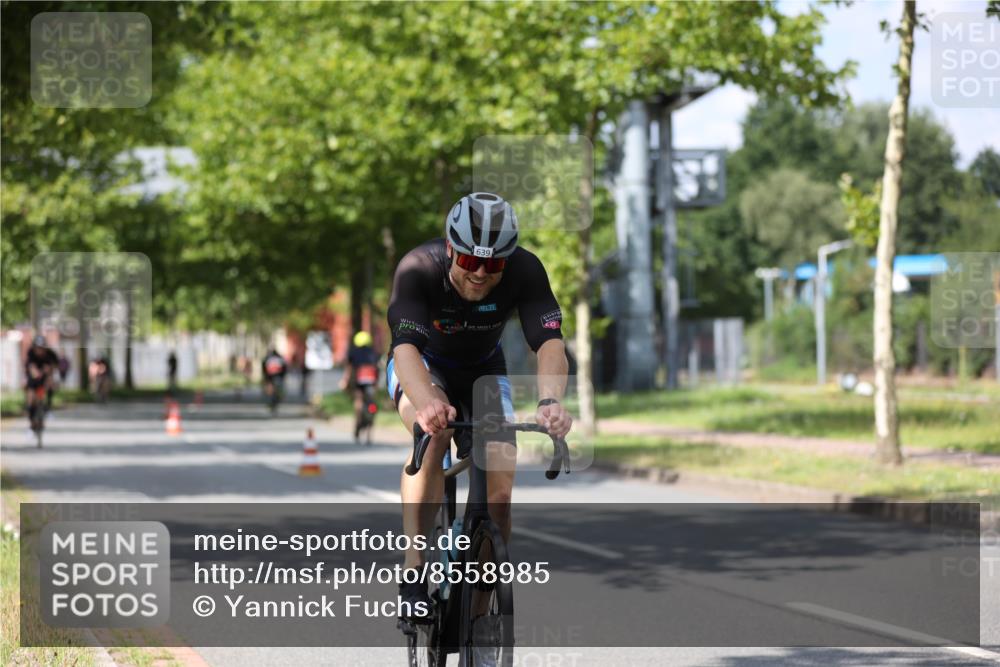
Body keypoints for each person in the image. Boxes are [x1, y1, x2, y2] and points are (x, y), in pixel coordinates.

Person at [386, 192, 573, 626]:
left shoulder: (526, 269)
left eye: (494, 264)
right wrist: (428, 402)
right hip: (423, 365)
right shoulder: (419, 268)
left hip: (485, 369)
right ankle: (414, 574)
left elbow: (548, 343)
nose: (482, 273)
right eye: (470, 262)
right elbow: (405, 350)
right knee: (433, 436)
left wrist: (550, 402)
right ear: (451, 248)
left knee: (501, 497)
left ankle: (477, 619)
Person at [340, 330, 381, 440]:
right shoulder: (374, 352)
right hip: (372, 380)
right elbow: (377, 368)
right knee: (372, 402)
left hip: (359, 379)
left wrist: (345, 381)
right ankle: (370, 429)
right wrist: (376, 383)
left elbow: (349, 368)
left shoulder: (354, 352)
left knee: (359, 400)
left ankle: (358, 420)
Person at [24, 335, 58, 415]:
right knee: (31, 390)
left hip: (46, 374)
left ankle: (47, 404)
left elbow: (55, 365)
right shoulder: (31, 352)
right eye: (37, 348)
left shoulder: (50, 354)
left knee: (49, 383)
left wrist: (50, 370)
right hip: (33, 374)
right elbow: (30, 366)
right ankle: (29, 408)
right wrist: (34, 372)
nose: (39, 350)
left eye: (41, 348)